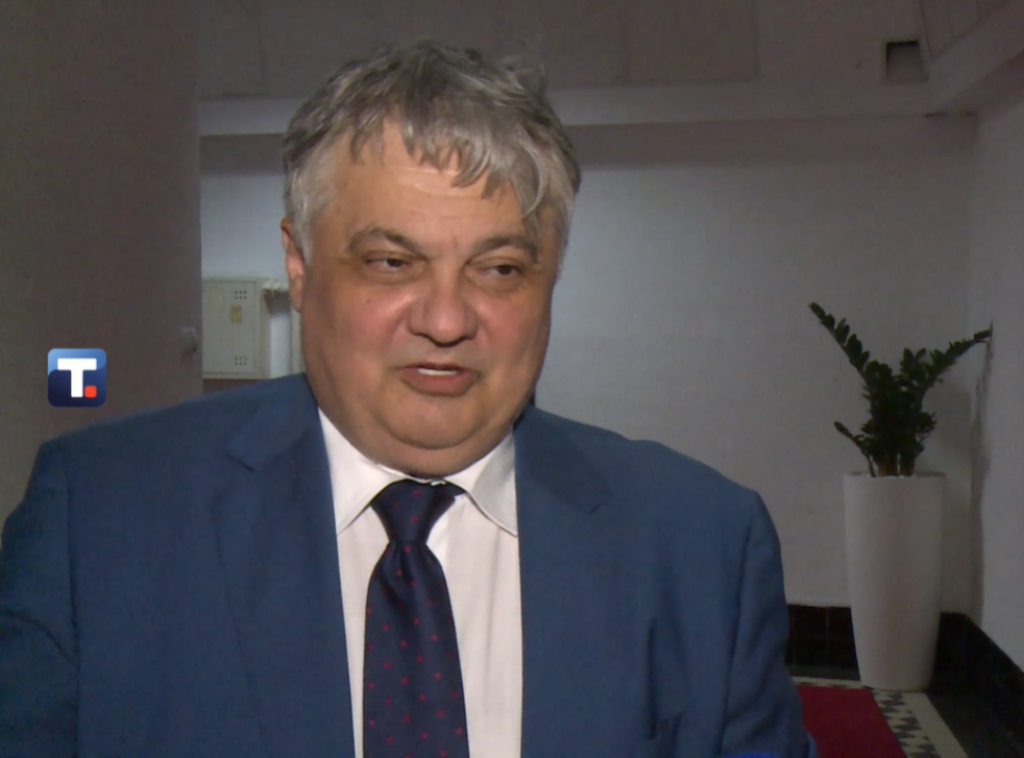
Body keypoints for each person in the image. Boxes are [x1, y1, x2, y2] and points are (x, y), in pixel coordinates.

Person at [0, 40, 817, 758]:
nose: (447, 320)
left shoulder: (701, 547)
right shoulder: (99, 522)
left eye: (500, 269)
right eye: (392, 262)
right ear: (298, 263)